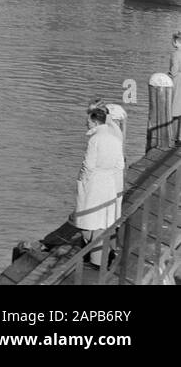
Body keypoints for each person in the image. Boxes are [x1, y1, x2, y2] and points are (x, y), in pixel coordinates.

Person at [74, 104, 124, 267]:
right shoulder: (115, 139)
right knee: (102, 222)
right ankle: (101, 258)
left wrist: (81, 179)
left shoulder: (95, 140)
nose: (86, 124)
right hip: (109, 182)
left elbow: (88, 165)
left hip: (94, 183)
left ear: (95, 122)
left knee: (86, 220)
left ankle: (99, 255)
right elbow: (119, 165)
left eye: (88, 121)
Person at [170, 32, 181, 146]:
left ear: (176, 42)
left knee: (175, 110)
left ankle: (173, 137)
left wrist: (168, 75)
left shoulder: (176, 54)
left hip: (178, 82)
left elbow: (174, 70)